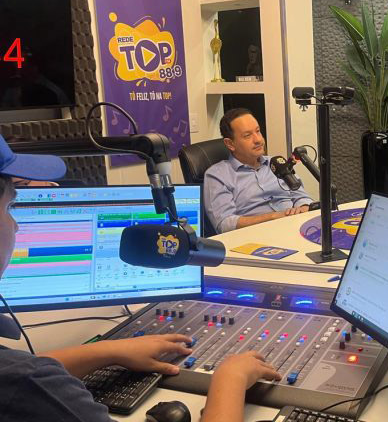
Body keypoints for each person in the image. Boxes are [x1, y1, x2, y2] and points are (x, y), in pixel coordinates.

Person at [0, 134, 281, 421]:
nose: (17, 226)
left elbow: (24, 368)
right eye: (10, 207)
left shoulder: (17, 372)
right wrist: (230, 381)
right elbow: (26, 378)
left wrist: (109, 351)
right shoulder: (26, 384)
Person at [205, 108, 312, 233]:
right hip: (255, 237)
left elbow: (301, 196)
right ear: (230, 144)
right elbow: (225, 224)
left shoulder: (277, 163)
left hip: (295, 229)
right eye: (247, 135)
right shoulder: (217, 175)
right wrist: (274, 217)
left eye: (258, 131)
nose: (258, 140)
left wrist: (304, 207)